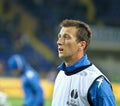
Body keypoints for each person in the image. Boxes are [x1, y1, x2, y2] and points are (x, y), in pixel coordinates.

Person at [52, 19, 116, 106]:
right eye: (59, 37)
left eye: (66, 37)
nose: (59, 42)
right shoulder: (61, 74)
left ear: (82, 45)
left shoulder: (97, 83)